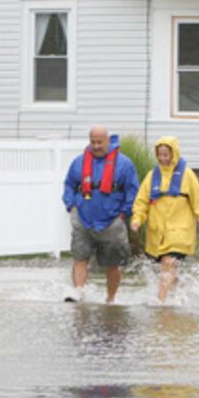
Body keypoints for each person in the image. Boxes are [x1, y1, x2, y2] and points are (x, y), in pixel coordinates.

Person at [130, 136, 199, 302]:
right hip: (157, 233)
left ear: (174, 154)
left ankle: (160, 302)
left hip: (180, 232)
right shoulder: (151, 176)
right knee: (169, 271)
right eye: (159, 155)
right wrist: (137, 219)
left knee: (168, 264)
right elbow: (141, 201)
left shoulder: (187, 175)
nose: (162, 159)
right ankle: (182, 296)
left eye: (166, 155)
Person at [62, 126, 139, 304]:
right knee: (80, 257)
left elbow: (132, 190)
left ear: (107, 141)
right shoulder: (78, 162)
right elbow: (69, 185)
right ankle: (78, 293)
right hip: (83, 218)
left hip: (112, 221)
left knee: (114, 263)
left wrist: (124, 214)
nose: (96, 146)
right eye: (93, 142)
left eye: (99, 142)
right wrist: (71, 205)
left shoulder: (124, 164)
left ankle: (110, 299)